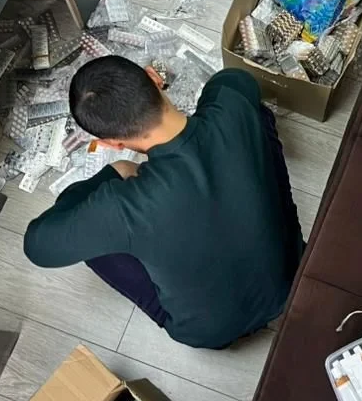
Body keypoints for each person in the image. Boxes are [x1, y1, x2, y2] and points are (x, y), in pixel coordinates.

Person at [23, 58, 304, 350]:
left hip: (211, 331)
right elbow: (237, 78)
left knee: (83, 227)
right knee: (257, 114)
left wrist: (115, 172)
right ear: (155, 77)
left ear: (112, 143)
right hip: (293, 274)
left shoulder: (122, 206)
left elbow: (38, 245)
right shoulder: (229, 104)